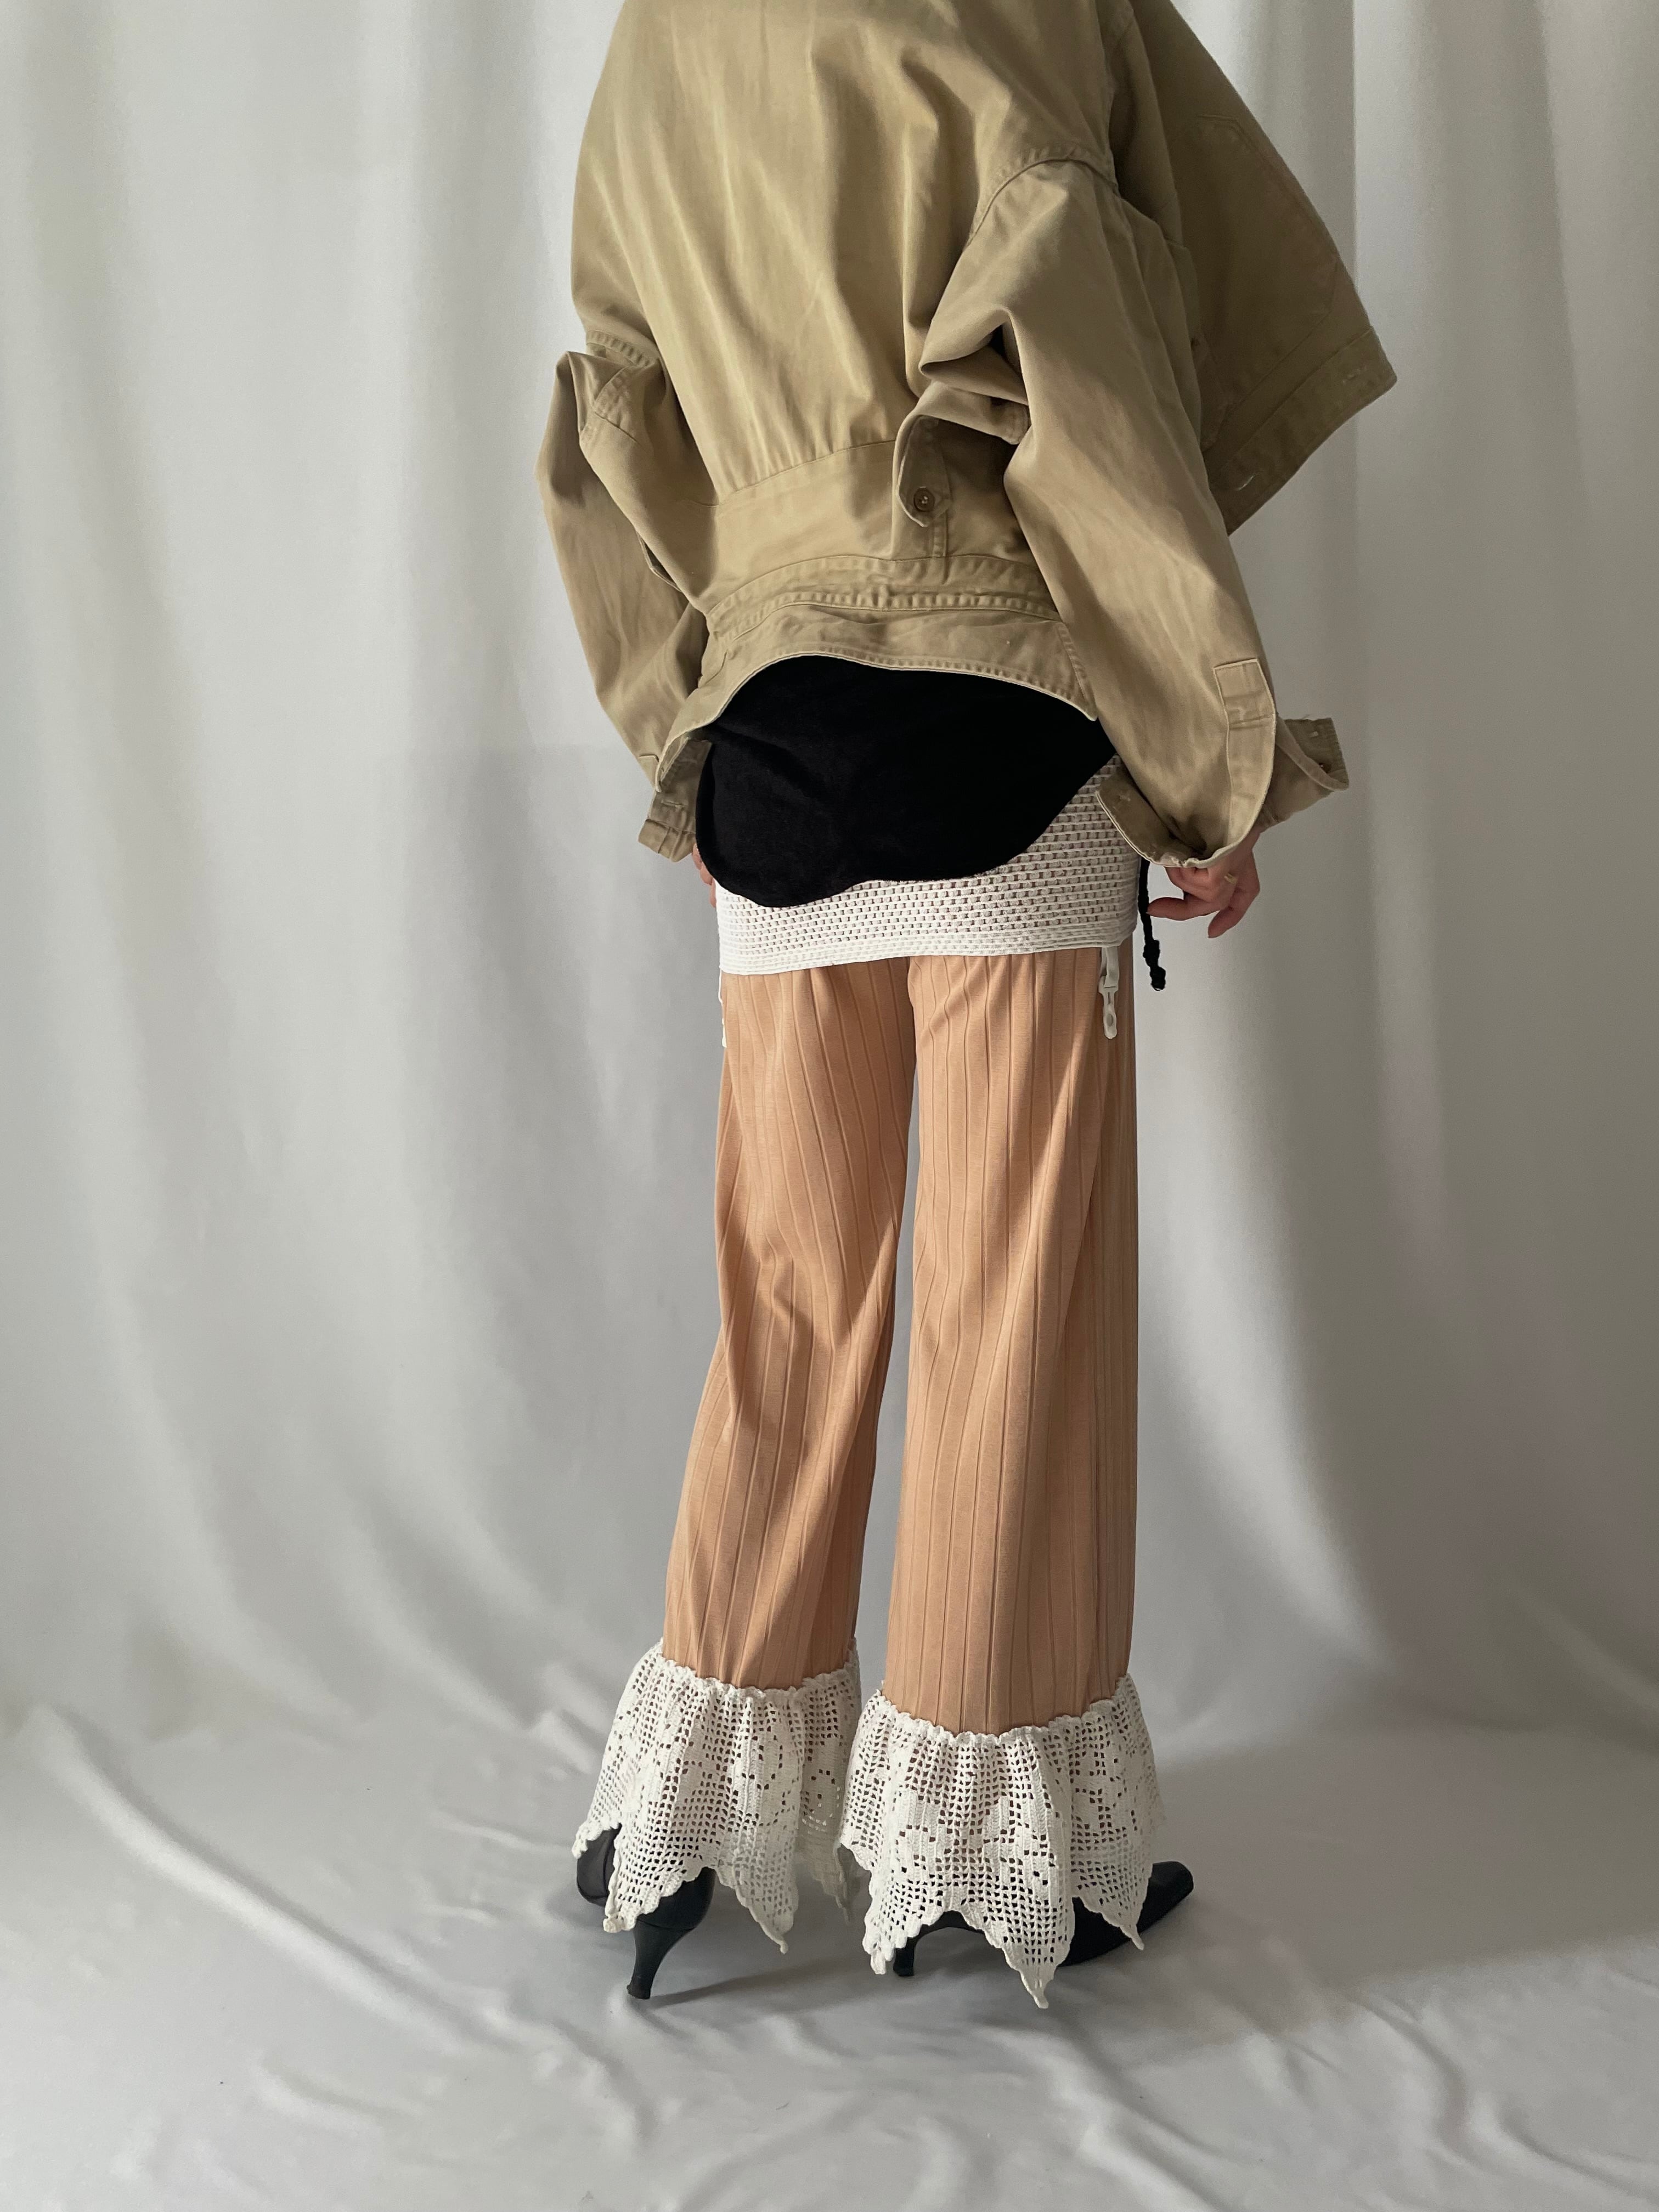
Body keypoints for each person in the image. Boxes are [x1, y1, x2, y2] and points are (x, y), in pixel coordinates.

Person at [539, 0, 1395, 2007]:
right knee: (1012, 1301)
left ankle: (691, 1824)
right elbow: (1095, 378)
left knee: (789, 1297)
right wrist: (1207, 761)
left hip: (768, 748)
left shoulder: (656, 42)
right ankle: (984, 1862)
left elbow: (612, 422)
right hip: (1002, 725)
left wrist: (696, 714)